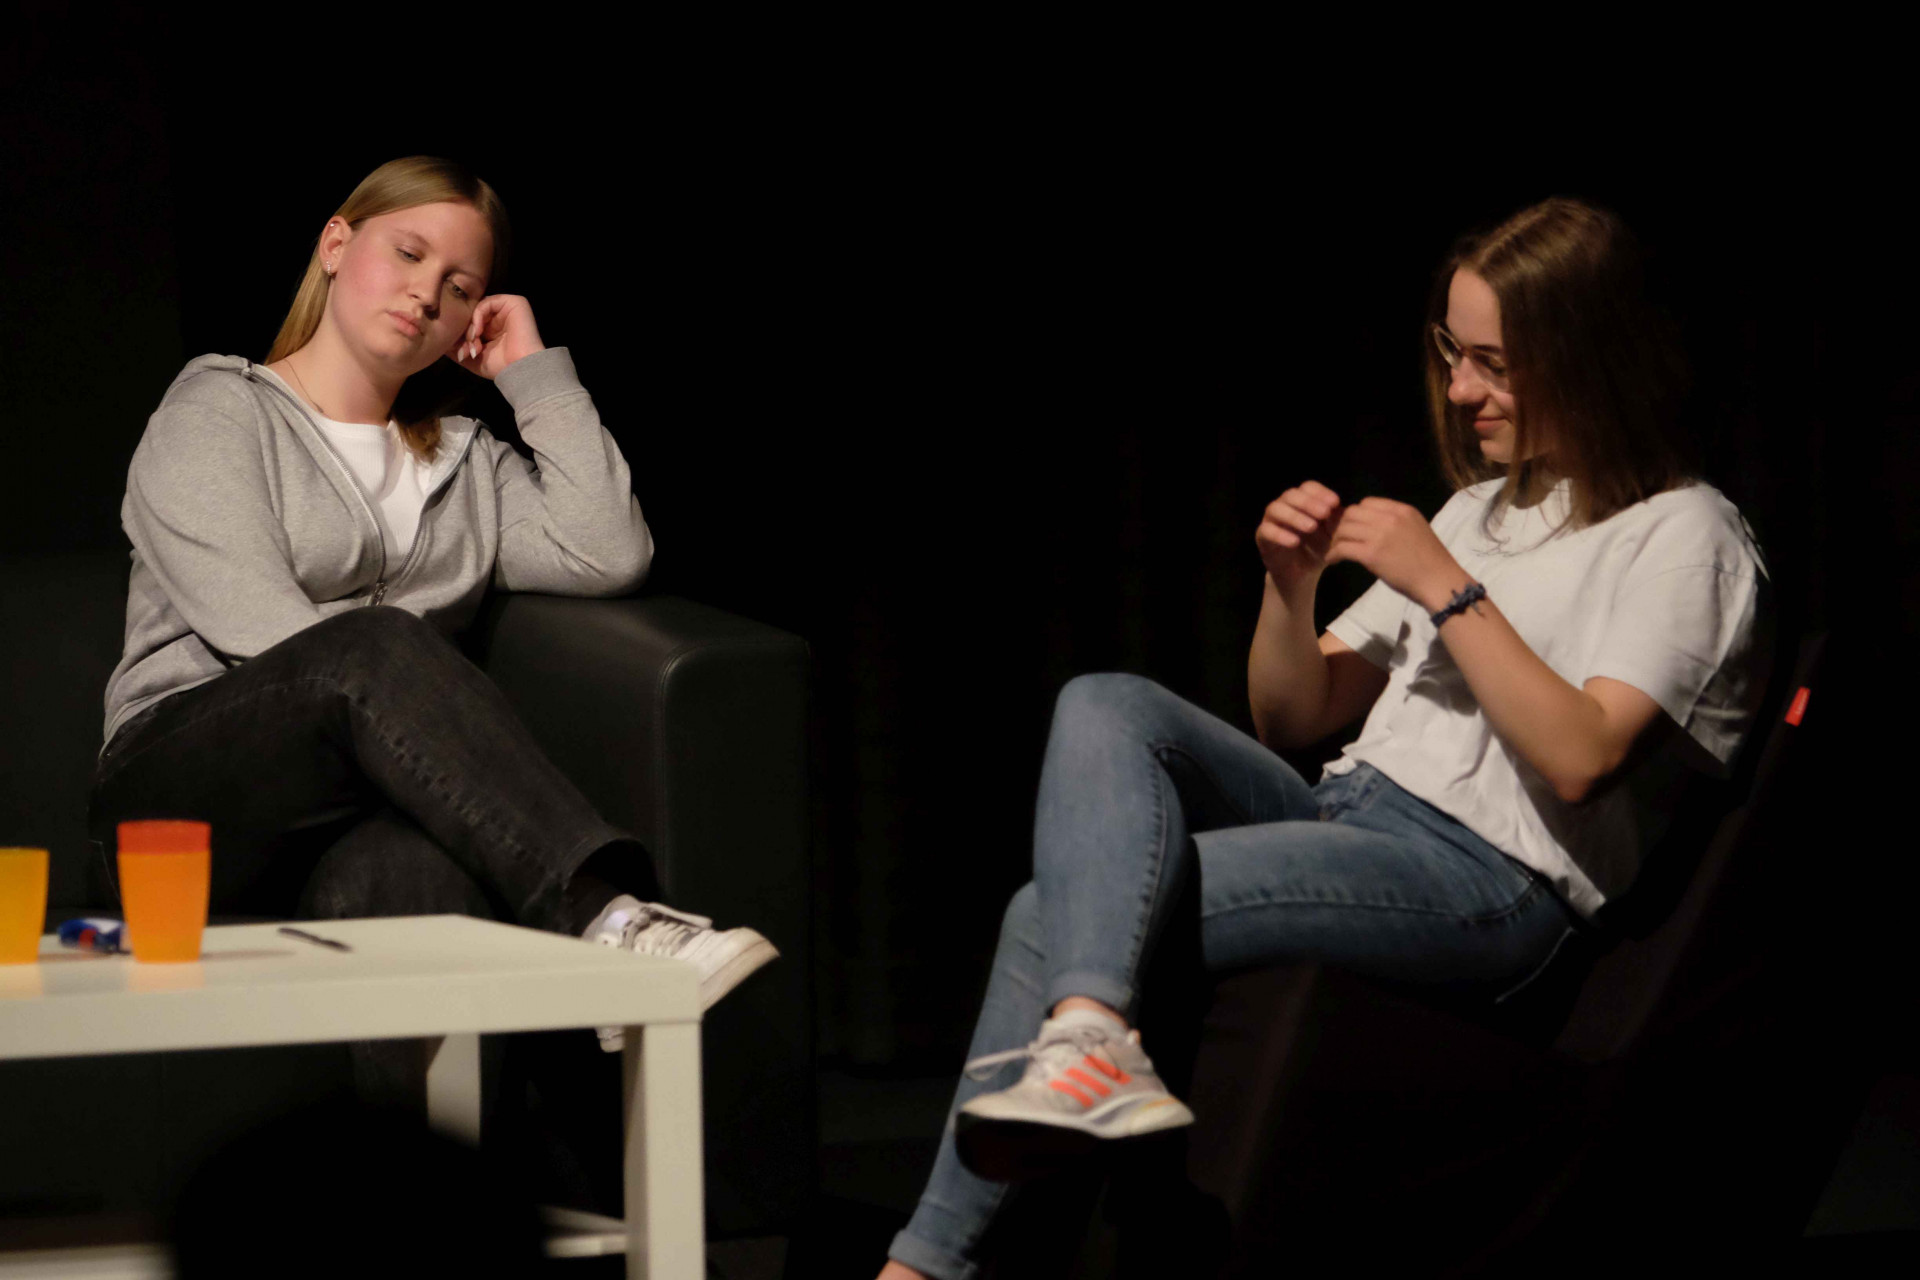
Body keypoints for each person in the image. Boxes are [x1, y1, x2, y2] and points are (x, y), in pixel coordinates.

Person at [877, 196, 1774, 1280]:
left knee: (1050, 911)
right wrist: (1289, 587)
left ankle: (925, 1264)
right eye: (1453, 353)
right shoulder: (1486, 510)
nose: (1460, 391)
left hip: (1487, 880)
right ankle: (1086, 1050)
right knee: (1108, 701)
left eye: (1494, 363)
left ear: (1590, 356)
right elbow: (1296, 717)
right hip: (1349, 814)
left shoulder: (1686, 534)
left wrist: (1447, 586)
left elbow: (1584, 757)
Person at [88, 156, 777, 1067]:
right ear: (336, 245)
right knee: (374, 646)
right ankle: (604, 914)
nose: (426, 294)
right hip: (182, 796)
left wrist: (531, 373)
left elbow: (608, 551)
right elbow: (258, 630)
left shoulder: (466, 464)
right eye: (408, 254)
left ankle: (428, 1161)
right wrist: (428, 759)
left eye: (460, 287)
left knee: (412, 875)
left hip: (353, 807)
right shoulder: (217, 409)